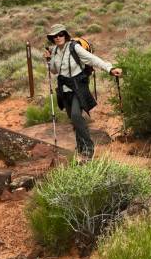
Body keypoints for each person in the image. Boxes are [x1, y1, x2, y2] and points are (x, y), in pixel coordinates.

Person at [44, 23, 122, 160]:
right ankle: (80, 147)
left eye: (60, 34)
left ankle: (88, 148)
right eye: (54, 36)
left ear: (65, 34)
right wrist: (49, 60)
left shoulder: (75, 47)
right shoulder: (55, 51)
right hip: (64, 89)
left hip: (78, 86)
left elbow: (93, 59)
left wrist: (109, 68)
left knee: (75, 115)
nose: (58, 37)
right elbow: (55, 71)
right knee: (74, 120)